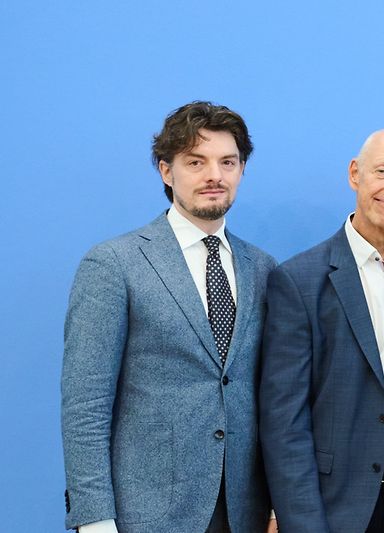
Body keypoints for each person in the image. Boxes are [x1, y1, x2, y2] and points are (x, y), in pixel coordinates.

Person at [61, 101, 274, 533]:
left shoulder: (264, 270)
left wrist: (276, 505)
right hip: (146, 514)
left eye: (227, 162)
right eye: (196, 162)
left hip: (244, 511)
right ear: (165, 171)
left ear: (241, 171)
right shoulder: (114, 264)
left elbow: (270, 399)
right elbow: (85, 405)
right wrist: (94, 519)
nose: (214, 175)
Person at [260, 128, 384, 533]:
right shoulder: (299, 280)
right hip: (337, 508)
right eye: (383, 171)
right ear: (355, 174)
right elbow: (284, 421)